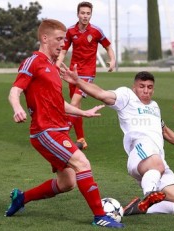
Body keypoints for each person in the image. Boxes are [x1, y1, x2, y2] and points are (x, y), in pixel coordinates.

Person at [5, 19, 124, 229]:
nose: (63, 44)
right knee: (83, 164)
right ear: (44, 38)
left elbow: (60, 103)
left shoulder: (53, 66)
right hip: (45, 131)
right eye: (59, 39)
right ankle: (100, 216)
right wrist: (17, 108)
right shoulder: (33, 62)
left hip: (59, 131)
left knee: (67, 183)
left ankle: (21, 198)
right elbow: (15, 91)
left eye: (64, 39)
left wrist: (83, 112)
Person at [62, 67, 174, 215]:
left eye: (150, 87)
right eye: (142, 86)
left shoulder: (154, 107)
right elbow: (101, 94)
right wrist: (78, 82)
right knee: (157, 164)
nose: (146, 91)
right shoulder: (126, 96)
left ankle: (138, 208)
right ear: (134, 88)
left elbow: (164, 130)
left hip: (156, 165)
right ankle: (150, 193)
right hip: (140, 154)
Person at [56, 1, 116, 150]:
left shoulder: (96, 31)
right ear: (78, 14)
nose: (85, 16)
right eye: (82, 13)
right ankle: (81, 139)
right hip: (73, 73)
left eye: (88, 13)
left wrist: (113, 60)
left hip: (88, 74)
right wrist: (56, 65)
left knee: (74, 103)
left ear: (91, 15)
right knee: (76, 106)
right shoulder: (70, 31)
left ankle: (62, 135)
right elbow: (63, 51)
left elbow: (108, 46)